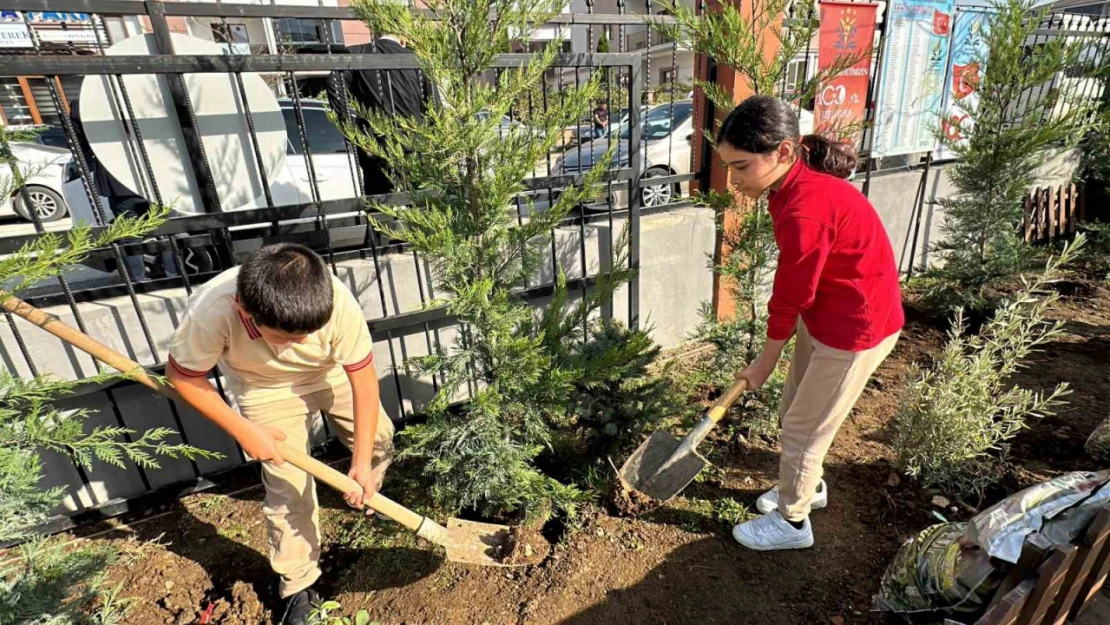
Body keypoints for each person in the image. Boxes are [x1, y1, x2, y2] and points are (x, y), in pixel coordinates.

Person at [166, 243, 394, 624]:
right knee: (289, 489)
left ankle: (369, 493)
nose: (300, 343)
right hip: (263, 387)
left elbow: (364, 383)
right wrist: (244, 429)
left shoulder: (336, 301)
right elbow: (183, 376)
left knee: (380, 439)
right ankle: (297, 583)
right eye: (287, 337)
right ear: (246, 312)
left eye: (309, 333)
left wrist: (360, 464)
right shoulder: (214, 310)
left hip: (328, 372)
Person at [718, 96, 903, 551]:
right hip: (825, 315)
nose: (734, 181)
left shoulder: (806, 208)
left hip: (855, 329)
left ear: (783, 152)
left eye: (741, 167)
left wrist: (764, 361)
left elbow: (791, 293)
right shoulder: (789, 189)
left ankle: (793, 522)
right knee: (795, 410)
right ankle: (808, 487)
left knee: (804, 429)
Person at [326, 32, 436, 196]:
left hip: (376, 145)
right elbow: (434, 106)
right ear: (403, 38)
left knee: (380, 204)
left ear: (376, 34)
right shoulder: (418, 60)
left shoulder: (357, 54)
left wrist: (353, 130)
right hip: (415, 146)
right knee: (422, 205)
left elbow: (334, 84)